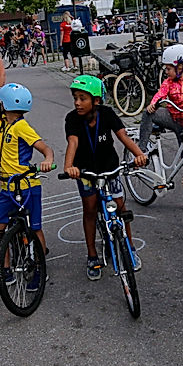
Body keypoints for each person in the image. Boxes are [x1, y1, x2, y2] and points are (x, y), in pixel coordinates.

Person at [62, 75, 148, 280]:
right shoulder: (72, 119)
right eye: (75, 98)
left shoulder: (107, 114)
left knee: (120, 207)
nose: (77, 103)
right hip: (85, 172)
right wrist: (69, 166)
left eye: (83, 98)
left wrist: (139, 155)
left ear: (96, 101)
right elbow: (72, 143)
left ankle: (129, 247)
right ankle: (92, 255)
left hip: (109, 168)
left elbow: (123, 136)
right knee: (90, 210)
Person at [0, 83, 55, 289]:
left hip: (27, 185)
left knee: (34, 229)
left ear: (3, 104)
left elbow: (45, 148)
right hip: (8, 186)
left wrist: (48, 159)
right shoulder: (1, 122)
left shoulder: (21, 126)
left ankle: (39, 267)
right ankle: (5, 270)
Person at [136, 44, 183, 151]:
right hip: (173, 118)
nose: (166, 72)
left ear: (180, 67)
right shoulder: (168, 82)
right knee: (148, 113)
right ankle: (141, 150)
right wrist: (153, 103)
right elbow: (160, 94)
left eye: (168, 69)